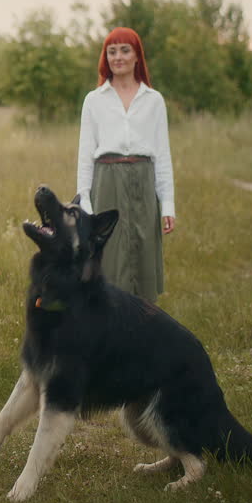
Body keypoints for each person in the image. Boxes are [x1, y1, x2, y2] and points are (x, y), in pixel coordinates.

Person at [75, 27, 175, 303]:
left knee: (143, 252)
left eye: (125, 50)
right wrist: (84, 200)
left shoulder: (154, 100)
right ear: (105, 57)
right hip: (106, 181)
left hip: (143, 181)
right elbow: (85, 154)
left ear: (137, 56)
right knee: (110, 255)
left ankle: (143, 320)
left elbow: (162, 155)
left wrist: (167, 203)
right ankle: (109, 320)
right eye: (112, 51)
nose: (118, 57)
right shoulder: (94, 100)